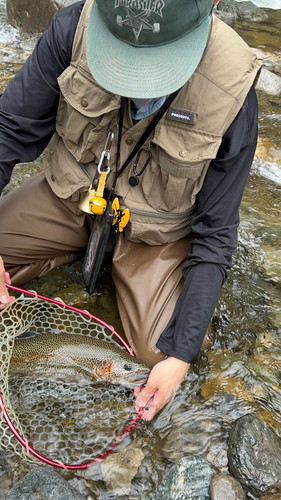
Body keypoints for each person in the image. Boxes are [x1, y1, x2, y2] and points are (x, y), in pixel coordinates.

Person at [0, 0, 261, 420]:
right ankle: (68, 250)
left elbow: (215, 235)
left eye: (157, 61)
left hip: (156, 237)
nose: (135, 76)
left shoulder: (233, 90)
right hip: (72, 198)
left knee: (159, 356)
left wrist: (181, 356)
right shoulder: (73, 26)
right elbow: (8, 128)